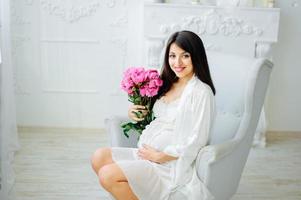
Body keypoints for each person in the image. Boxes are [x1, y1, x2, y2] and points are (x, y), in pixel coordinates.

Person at [91, 30, 216, 200]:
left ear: (196, 56)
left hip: (168, 165)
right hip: (146, 154)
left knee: (107, 175)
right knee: (99, 157)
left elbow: (198, 139)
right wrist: (134, 113)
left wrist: (162, 156)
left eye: (185, 56)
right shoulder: (166, 82)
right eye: (172, 56)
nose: (177, 62)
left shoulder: (201, 92)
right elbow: (151, 116)